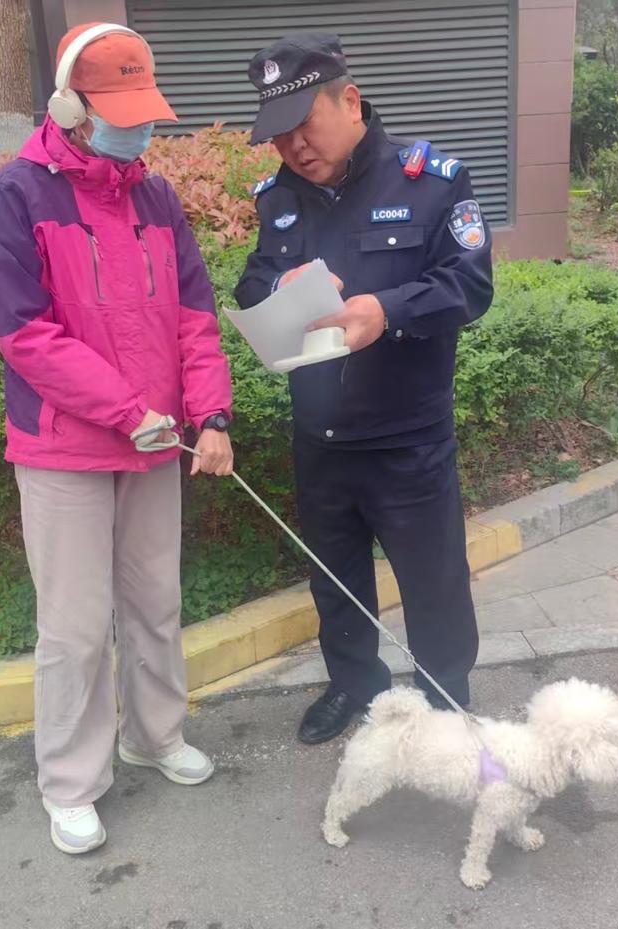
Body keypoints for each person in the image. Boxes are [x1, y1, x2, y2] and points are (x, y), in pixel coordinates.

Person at [0, 22, 235, 855]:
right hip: (66, 446)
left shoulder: (156, 198)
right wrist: (127, 409)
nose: (138, 127)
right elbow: (24, 334)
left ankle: (153, 735)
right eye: (121, 112)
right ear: (69, 107)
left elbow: (194, 317)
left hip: (156, 441)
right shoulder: (17, 195)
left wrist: (211, 414)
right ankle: (70, 782)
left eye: (143, 110)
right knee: (77, 625)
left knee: (155, 600)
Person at [233, 34, 494, 745]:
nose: (292, 147)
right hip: (320, 436)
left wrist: (389, 309)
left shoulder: (430, 181)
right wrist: (276, 286)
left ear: (349, 101)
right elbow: (252, 281)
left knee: (434, 583)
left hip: (408, 437)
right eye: (277, 135)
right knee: (336, 578)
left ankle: (445, 697)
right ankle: (354, 683)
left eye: (304, 125)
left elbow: (469, 284)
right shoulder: (279, 199)